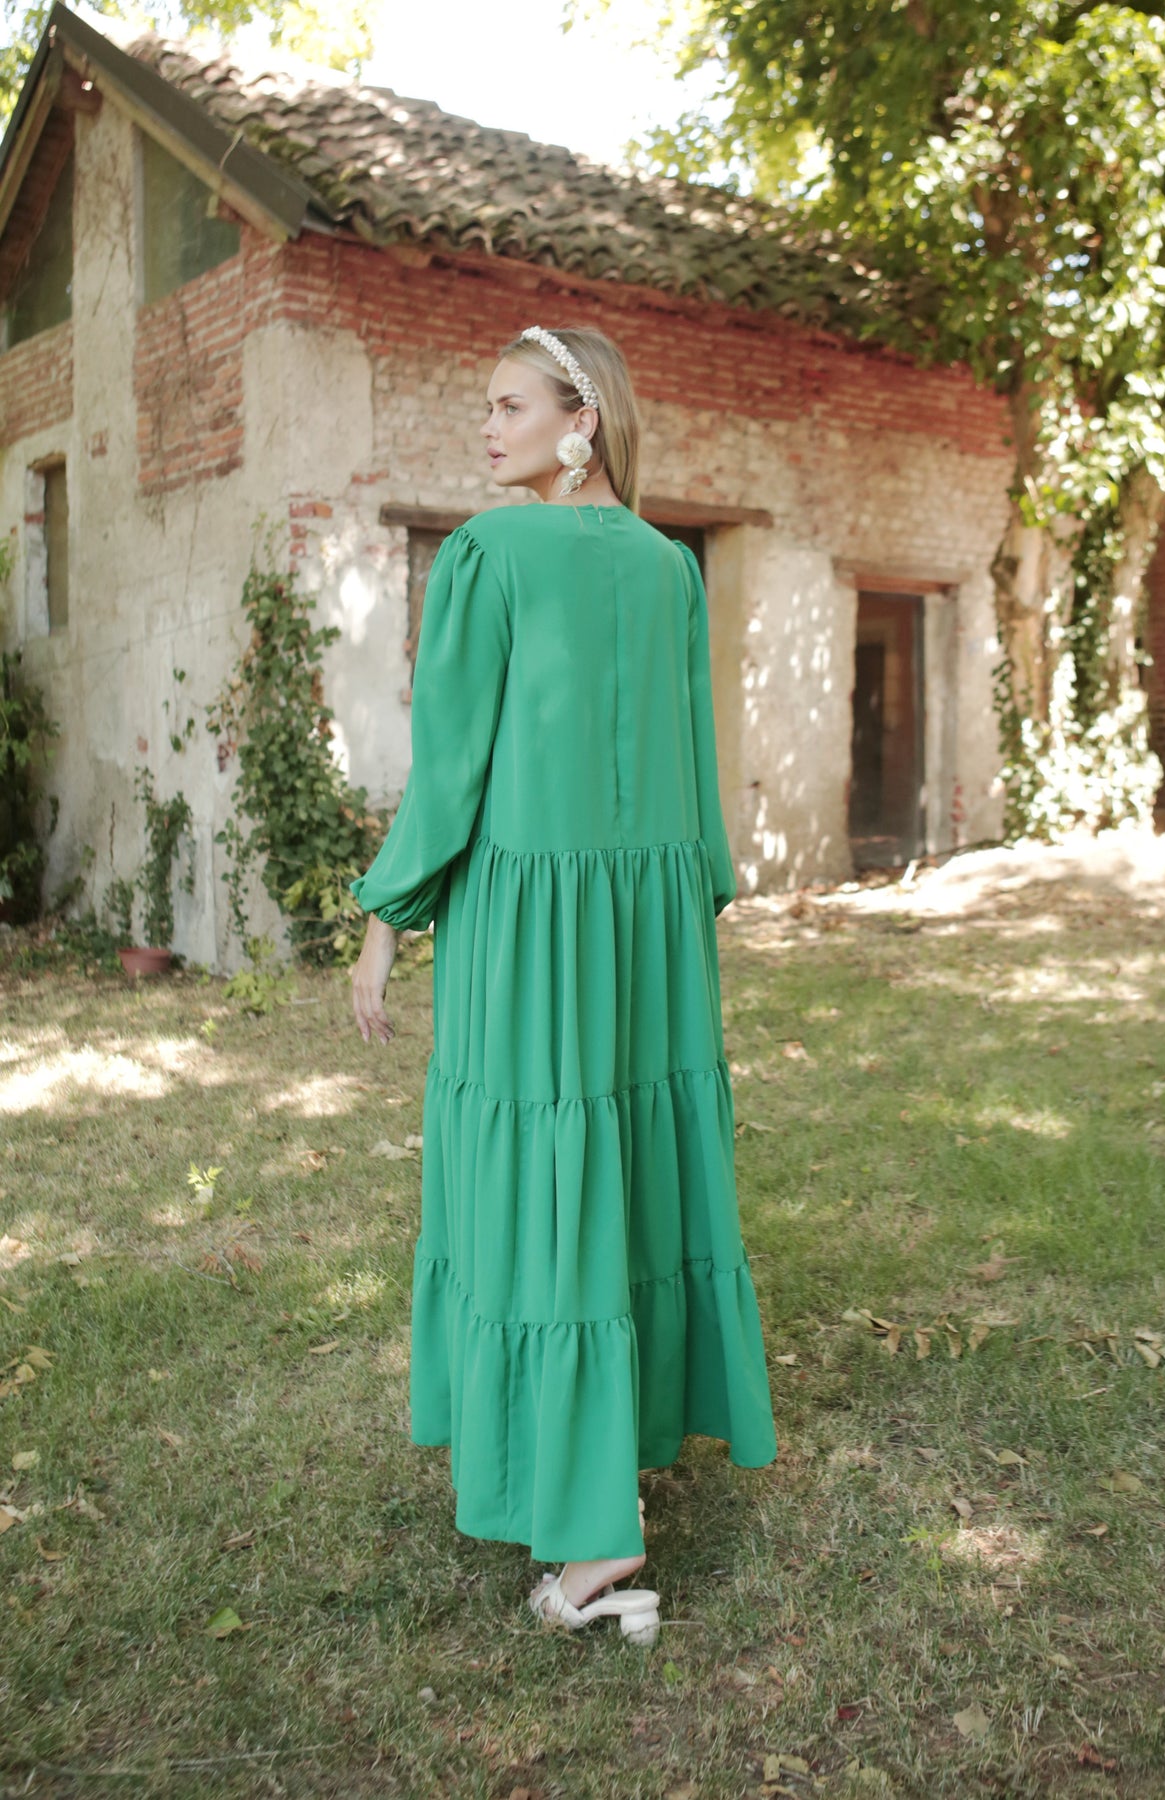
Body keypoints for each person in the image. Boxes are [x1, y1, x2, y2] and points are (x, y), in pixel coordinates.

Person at [350, 324, 776, 1647]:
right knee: (627, 1176)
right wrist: (684, 902)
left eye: (508, 406)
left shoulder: (489, 553)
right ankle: (614, 1471)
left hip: (528, 925)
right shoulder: (670, 568)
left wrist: (385, 921)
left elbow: (452, 764)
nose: (486, 429)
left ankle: (595, 1540)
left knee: (542, 1186)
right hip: (646, 928)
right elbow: (697, 769)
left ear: (580, 420)